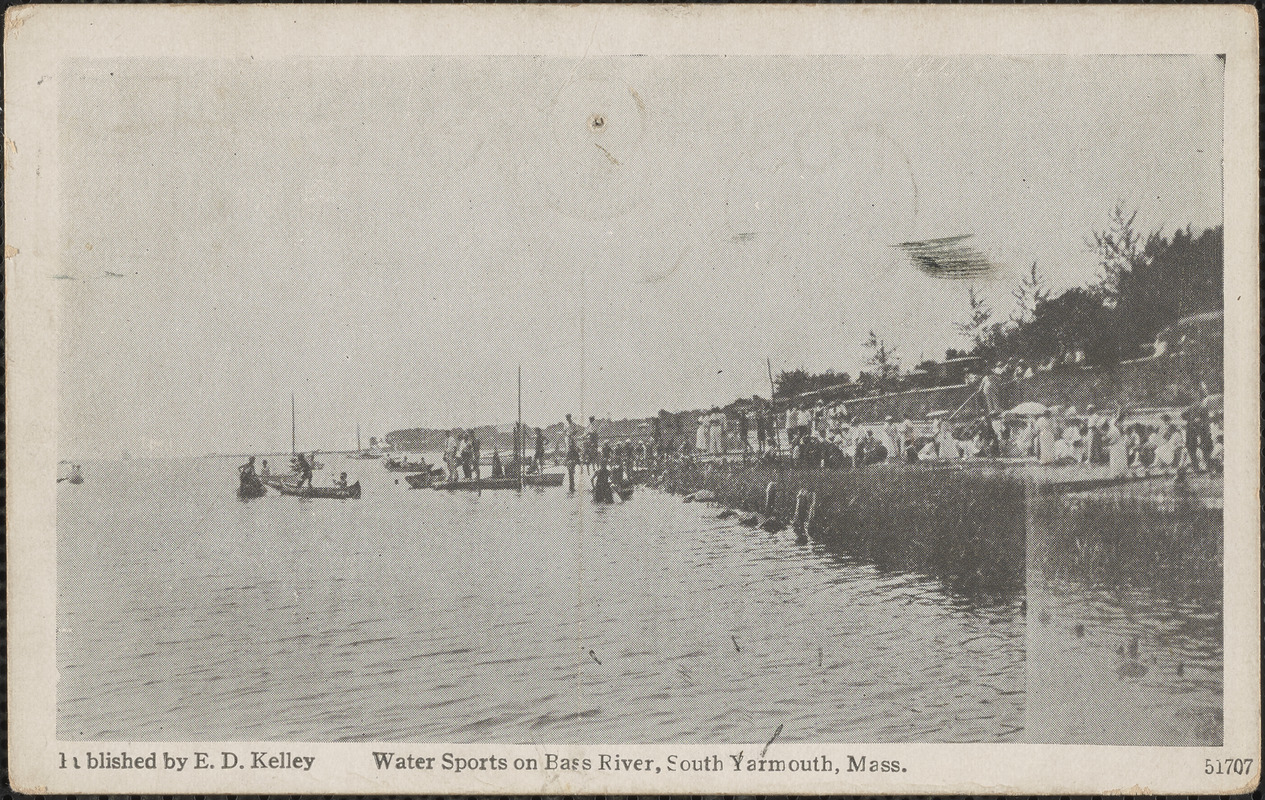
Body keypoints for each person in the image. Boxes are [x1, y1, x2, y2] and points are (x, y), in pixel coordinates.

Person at [1106, 412, 1129, 477]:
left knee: (1116, 459)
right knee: (1119, 458)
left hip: (1117, 444)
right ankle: (1120, 473)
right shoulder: (1115, 425)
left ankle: (1118, 473)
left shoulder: (1114, 426)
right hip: (1120, 444)